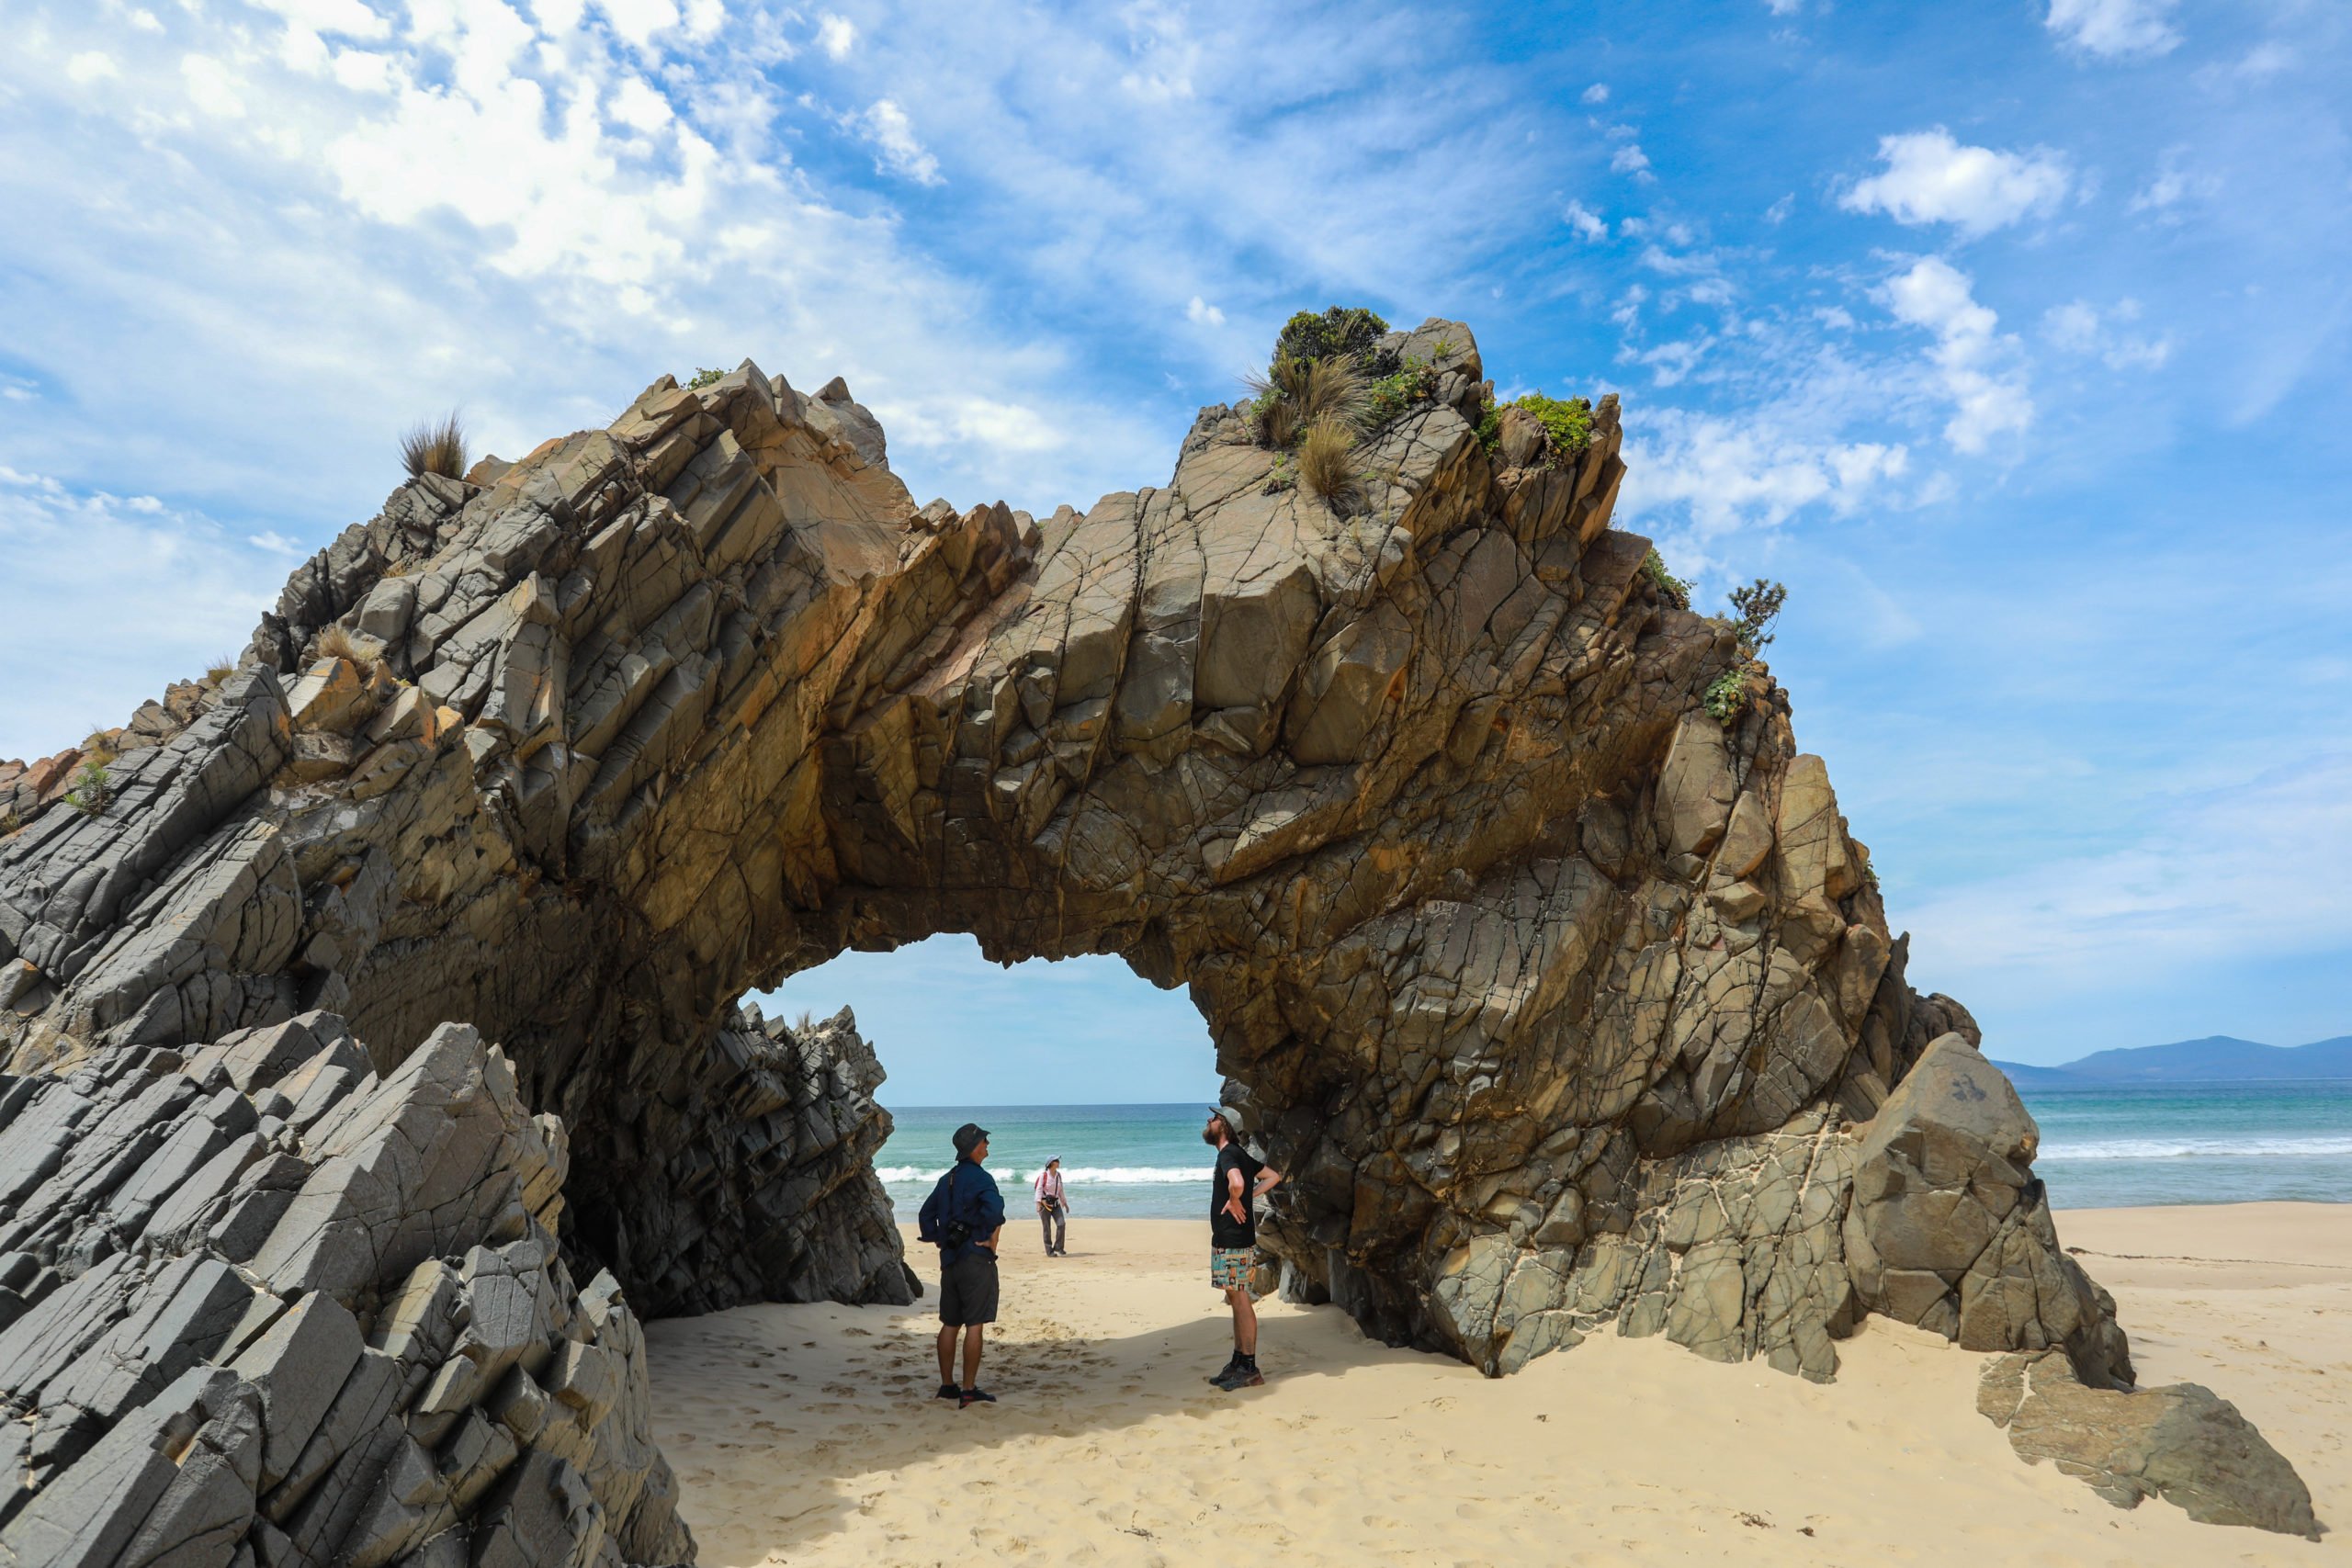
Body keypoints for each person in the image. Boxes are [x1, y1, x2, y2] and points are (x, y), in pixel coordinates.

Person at [915, 1122, 1005, 1408]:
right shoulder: (982, 1178)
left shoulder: (947, 1179)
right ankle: (968, 1391)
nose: (988, 1147)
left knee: (950, 1323)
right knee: (975, 1324)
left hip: (950, 1260)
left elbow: (926, 1214)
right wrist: (988, 1239)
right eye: (985, 1143)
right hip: (975, 1259)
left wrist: (939, 1238)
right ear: (975, 1148)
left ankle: (947, 1386)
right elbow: (995, 1211)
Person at [1202, 1105, 1283, 1390]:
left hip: (1233, 1241)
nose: (1208, 1121)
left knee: (1241, 1300)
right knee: (1236, 1299)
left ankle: (1249, 1366)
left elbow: (1236, 1182)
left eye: (1213, 1118)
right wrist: (1247, 1196)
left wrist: (1238, 1199)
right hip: (1233, 1240)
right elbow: (1274, 1177)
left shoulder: (1229, 1155)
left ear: (1223, 1125)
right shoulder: (1241, 1156)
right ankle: (1238, 1361)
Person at [1033, 1156, 1069, 1256]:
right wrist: (1038, 1203)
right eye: (1057, 1161)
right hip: (1045, 1205)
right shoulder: (1043, 1176)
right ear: (1051, 1163)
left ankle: (1058, 1247)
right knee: (1047, 1228)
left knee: (1061, 1224)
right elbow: (1039, 1189)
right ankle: (1049, 1251)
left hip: (1056, 1204)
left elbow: (1060, 1190)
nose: (1059, 1162)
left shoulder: (1058, 1175)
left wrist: (1064, 1203)